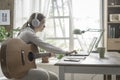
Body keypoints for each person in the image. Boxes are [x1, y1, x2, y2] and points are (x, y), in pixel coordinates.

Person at [17, 13, 76, 80]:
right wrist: (65, 52)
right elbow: (46, 46)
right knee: (44, 76)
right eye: (43, 23)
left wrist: (47, 54)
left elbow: (29, 56)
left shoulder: (28, 32)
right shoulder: (28, 33)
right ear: (35, 23)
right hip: (19, 69)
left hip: (26, 67)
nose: (44, 26)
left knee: (54, 77)